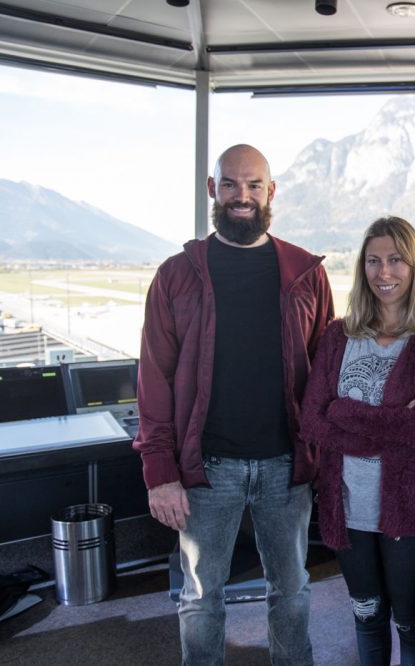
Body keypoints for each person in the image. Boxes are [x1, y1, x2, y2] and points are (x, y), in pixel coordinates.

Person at [134, 144, 333, 666]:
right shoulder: (177, 275)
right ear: (212, 190)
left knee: (291, 592)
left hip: (287, 468)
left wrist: (322, 461)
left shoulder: (306, 273)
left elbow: (324, 377)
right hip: (206, 469)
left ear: (271, 193)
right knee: (201, 597)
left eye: (252, 185)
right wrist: (160, 471)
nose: (241, 196)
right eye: (230, 184)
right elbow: (152, 380)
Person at [300, 216, 415, 666]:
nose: (383, 272)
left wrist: (343, 411)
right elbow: (312, 421)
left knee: (410, 619)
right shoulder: (339, 334)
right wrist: (387, 421)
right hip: (346, 503)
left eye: (395, 260)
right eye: (373, 261)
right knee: (366, 614)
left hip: (410, 505)